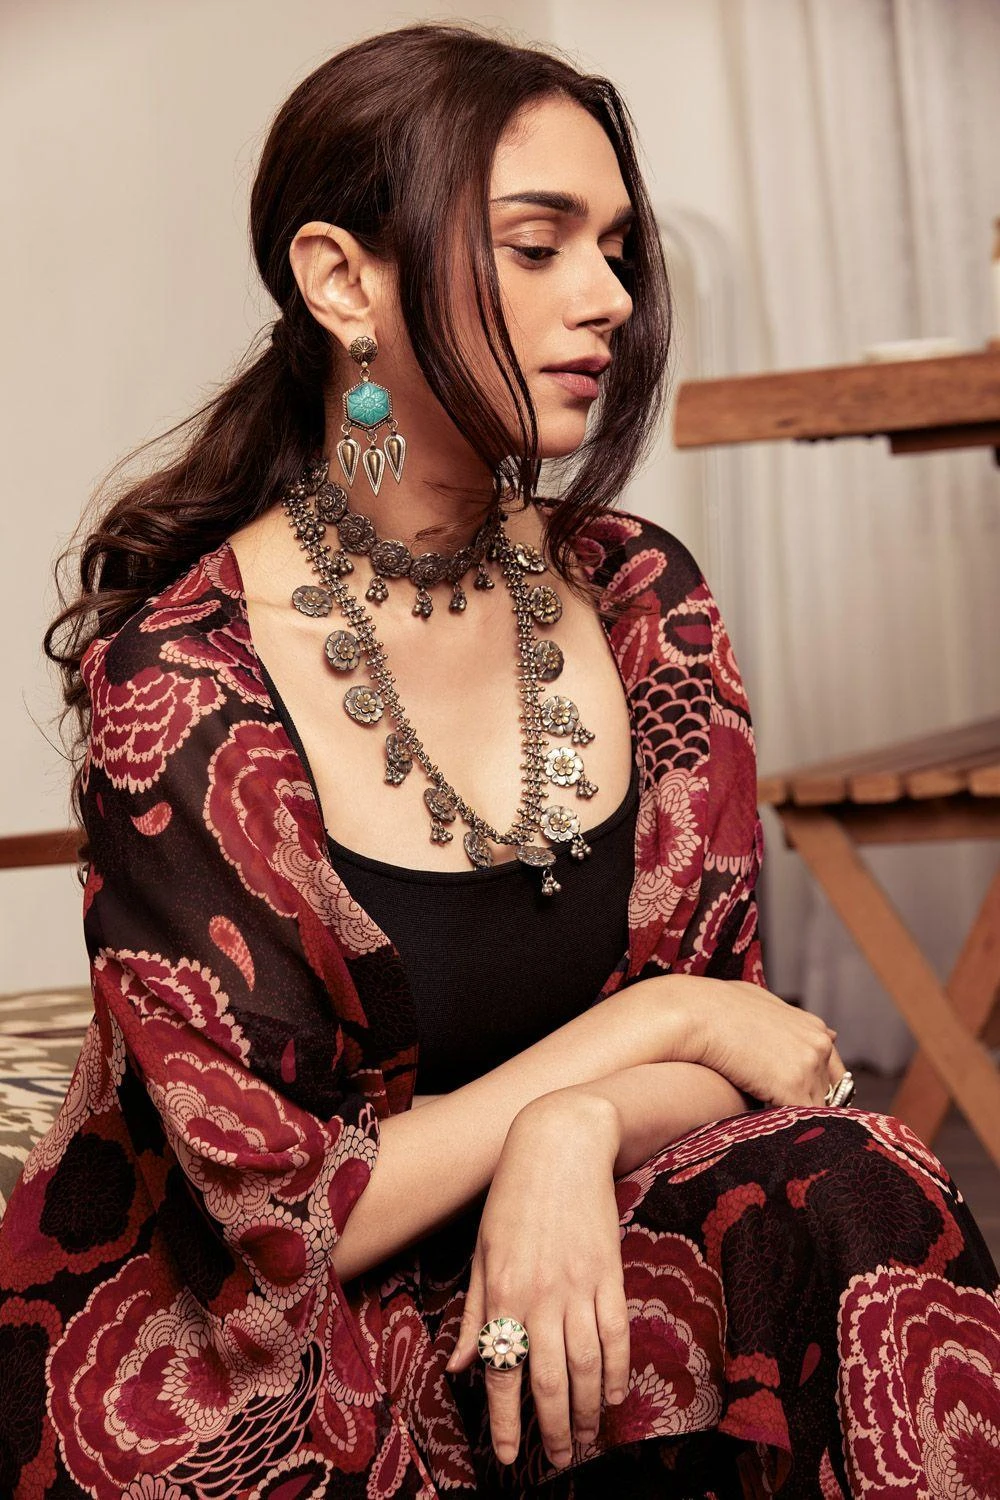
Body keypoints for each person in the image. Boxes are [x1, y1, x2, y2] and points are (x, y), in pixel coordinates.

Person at [2, 20, 997, 1499]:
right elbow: (291, 1210)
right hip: (260, 1354)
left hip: (578, 1254)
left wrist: (571, 1129)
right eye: (539, 246)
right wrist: (642, 1031)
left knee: (856, 1186)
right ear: (342, 282)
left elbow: (752, 1059)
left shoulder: (645, 601)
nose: (610, 297)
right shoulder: (187, 680)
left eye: (617, 248)